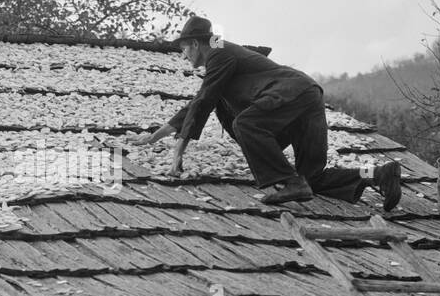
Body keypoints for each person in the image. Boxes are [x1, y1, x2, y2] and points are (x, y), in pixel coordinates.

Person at [137, 15, 401, 208]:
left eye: (183, 48)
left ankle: (288, 183)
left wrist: (178, 153)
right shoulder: (224, 55)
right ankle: (377, 174)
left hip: (290, 93)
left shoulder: (218, 52)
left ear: (195, 44)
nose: (183, 55)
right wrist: (154, 137)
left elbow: (204, 100)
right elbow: (196, 105)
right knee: (313, 178)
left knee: (246, 124)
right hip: (306, 98)